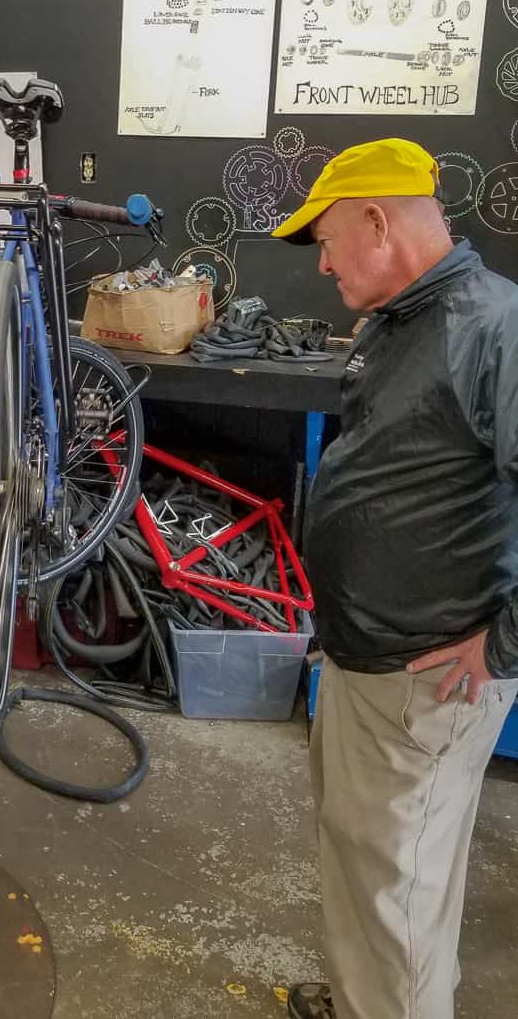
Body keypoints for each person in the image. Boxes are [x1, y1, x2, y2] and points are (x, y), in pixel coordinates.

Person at [271, 138, 518, 1019]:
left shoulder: (492, 328)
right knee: (386, 870)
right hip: (364, 655)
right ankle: (367, 995)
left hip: (424, 674)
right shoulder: (404, 318)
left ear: (378, 220)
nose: (324, 263)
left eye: (329, 240)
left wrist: (502, 644)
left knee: (395, 889)